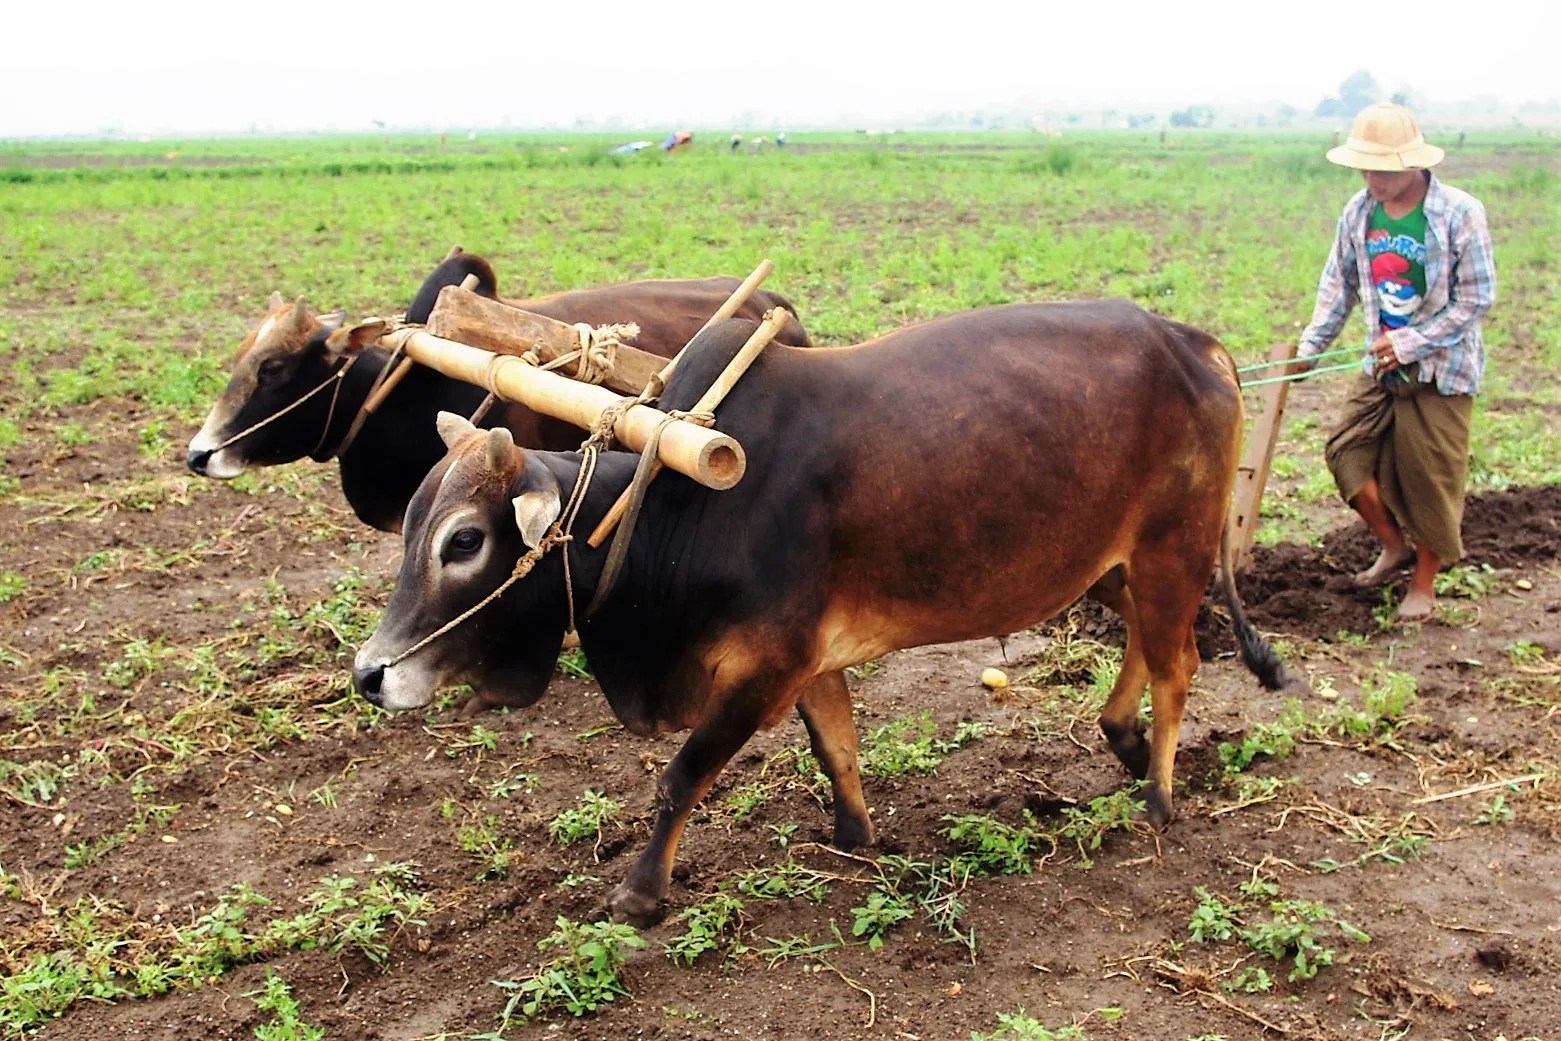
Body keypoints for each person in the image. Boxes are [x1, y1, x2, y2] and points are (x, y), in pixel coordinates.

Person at [1292, 103, 1497, 623]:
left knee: (1431, 479)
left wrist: (1412, 342)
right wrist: (1310, 348)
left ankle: (1423, 585)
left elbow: (1477, 299)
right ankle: (1392, 544)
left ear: (1412, 164)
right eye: (1364, 168)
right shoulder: (1359, 213)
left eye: (1381, 169)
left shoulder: (1458, 213)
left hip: (1441, 371)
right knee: (1346, 454)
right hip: (1379, 366)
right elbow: (1338, 285)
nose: (1371, 179)